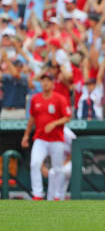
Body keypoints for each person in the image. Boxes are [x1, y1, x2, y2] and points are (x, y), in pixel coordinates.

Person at [21, 72, 72, 200]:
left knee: (57, 169)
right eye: (43, 80)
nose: (45, 83)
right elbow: (32, 118)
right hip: (40, 138)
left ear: (52, 83)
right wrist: (26, 135)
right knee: (34, 163)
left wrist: (54, 123)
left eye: (48, 80)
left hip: (56, 139)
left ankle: (57, 196)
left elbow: (68, 117)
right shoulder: (35, 98)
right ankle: (37, 194)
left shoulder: (59, 98)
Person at [47, 126, 76, 201]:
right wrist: (43, 166)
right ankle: (50, 199)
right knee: (52, 173)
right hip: (58, 163)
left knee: (61, 172)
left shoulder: (68, 133)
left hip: (71, 163)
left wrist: (65, 162)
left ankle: (59, 197)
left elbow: (75, 150)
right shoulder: (51, 131)